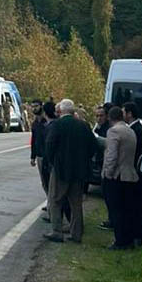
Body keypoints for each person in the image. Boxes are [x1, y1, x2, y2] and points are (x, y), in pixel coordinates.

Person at [44, 99, 95, 244]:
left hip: (61, 170)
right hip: (78, 170)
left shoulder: (57, 125)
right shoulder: (83, 125)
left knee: (55, 200)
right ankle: (76, 233)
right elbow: (93, 145)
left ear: (60, 111)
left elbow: (50, 145)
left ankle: (57, 231)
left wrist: (53, 162)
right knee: (76, 203)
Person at [102, 105, 139, 250]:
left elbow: (111, 155)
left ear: (109, 117)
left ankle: (120, 241)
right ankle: (128, 239)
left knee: (116, 210)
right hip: (129, 174)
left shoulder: (114, 131)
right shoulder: (130, 131)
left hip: (117, 176)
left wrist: (107, 173)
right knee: (126, 210)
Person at [122, 102, 142, 245]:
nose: (122, 115)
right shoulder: (137, 129)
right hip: (138, 172)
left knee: (136, 206)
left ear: (129, 113)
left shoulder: (136, 130)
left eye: (124, 112)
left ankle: (139, 235)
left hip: (136, 173)